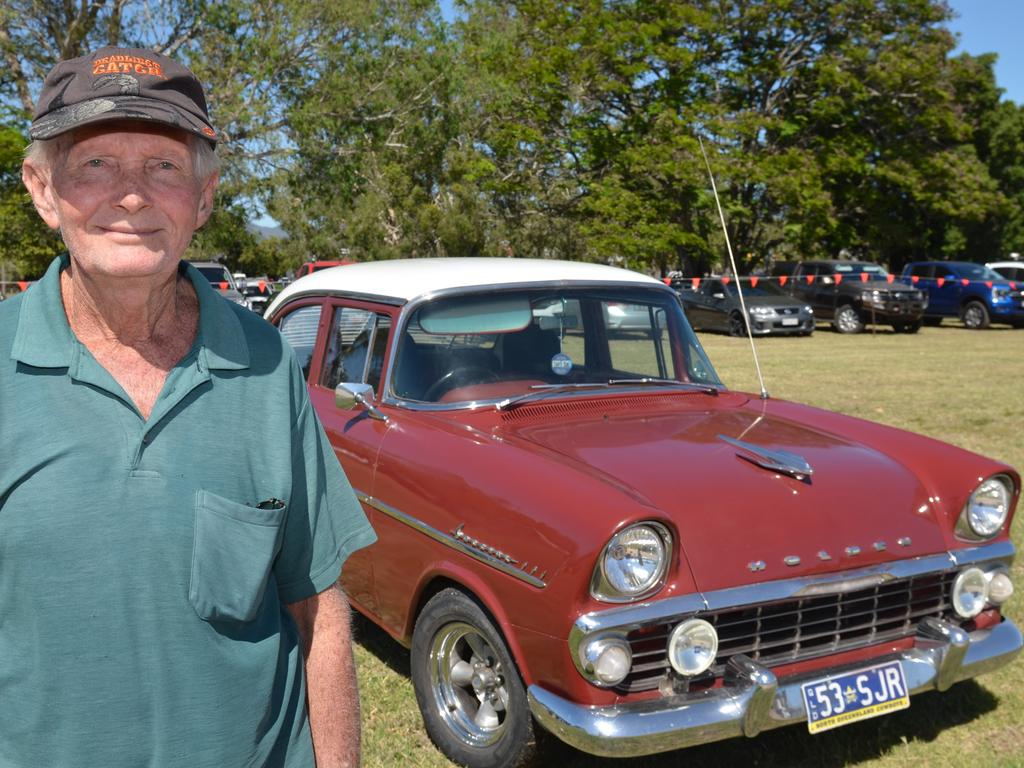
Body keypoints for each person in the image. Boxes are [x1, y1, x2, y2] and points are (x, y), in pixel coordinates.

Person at [0, 47, 376, 767]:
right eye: (96, 165)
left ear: (203, 198)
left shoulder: (265, 362)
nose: (133, 196)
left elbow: (318, 608)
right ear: (43, 191)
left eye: (164, 166)